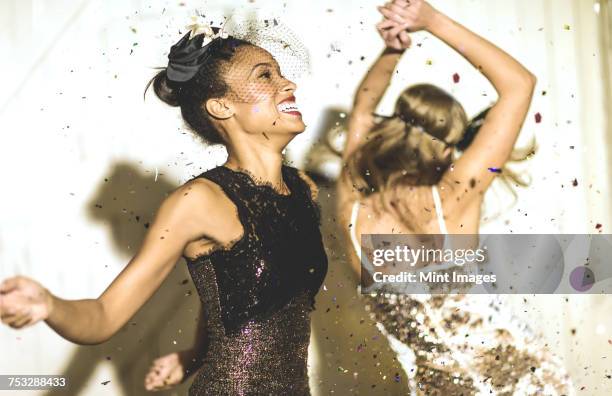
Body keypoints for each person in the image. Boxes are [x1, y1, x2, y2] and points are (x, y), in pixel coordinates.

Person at [0, 22, 328, 396]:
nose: (288, 85)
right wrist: (49, 305)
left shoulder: (304, 190)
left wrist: (193, 355)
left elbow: (242, 293)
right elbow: (104, 317)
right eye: (265, 75)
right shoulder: (198, 201)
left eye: (281, 74)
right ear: (221, 106)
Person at [336, 1, 573, 394]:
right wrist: (431, 21)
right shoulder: (454, 198)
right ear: (447, 150)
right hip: (525, 384)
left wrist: (395, 48)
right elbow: (519, 85)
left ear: (389, 132)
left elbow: (362, 109)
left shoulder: (352, 209)